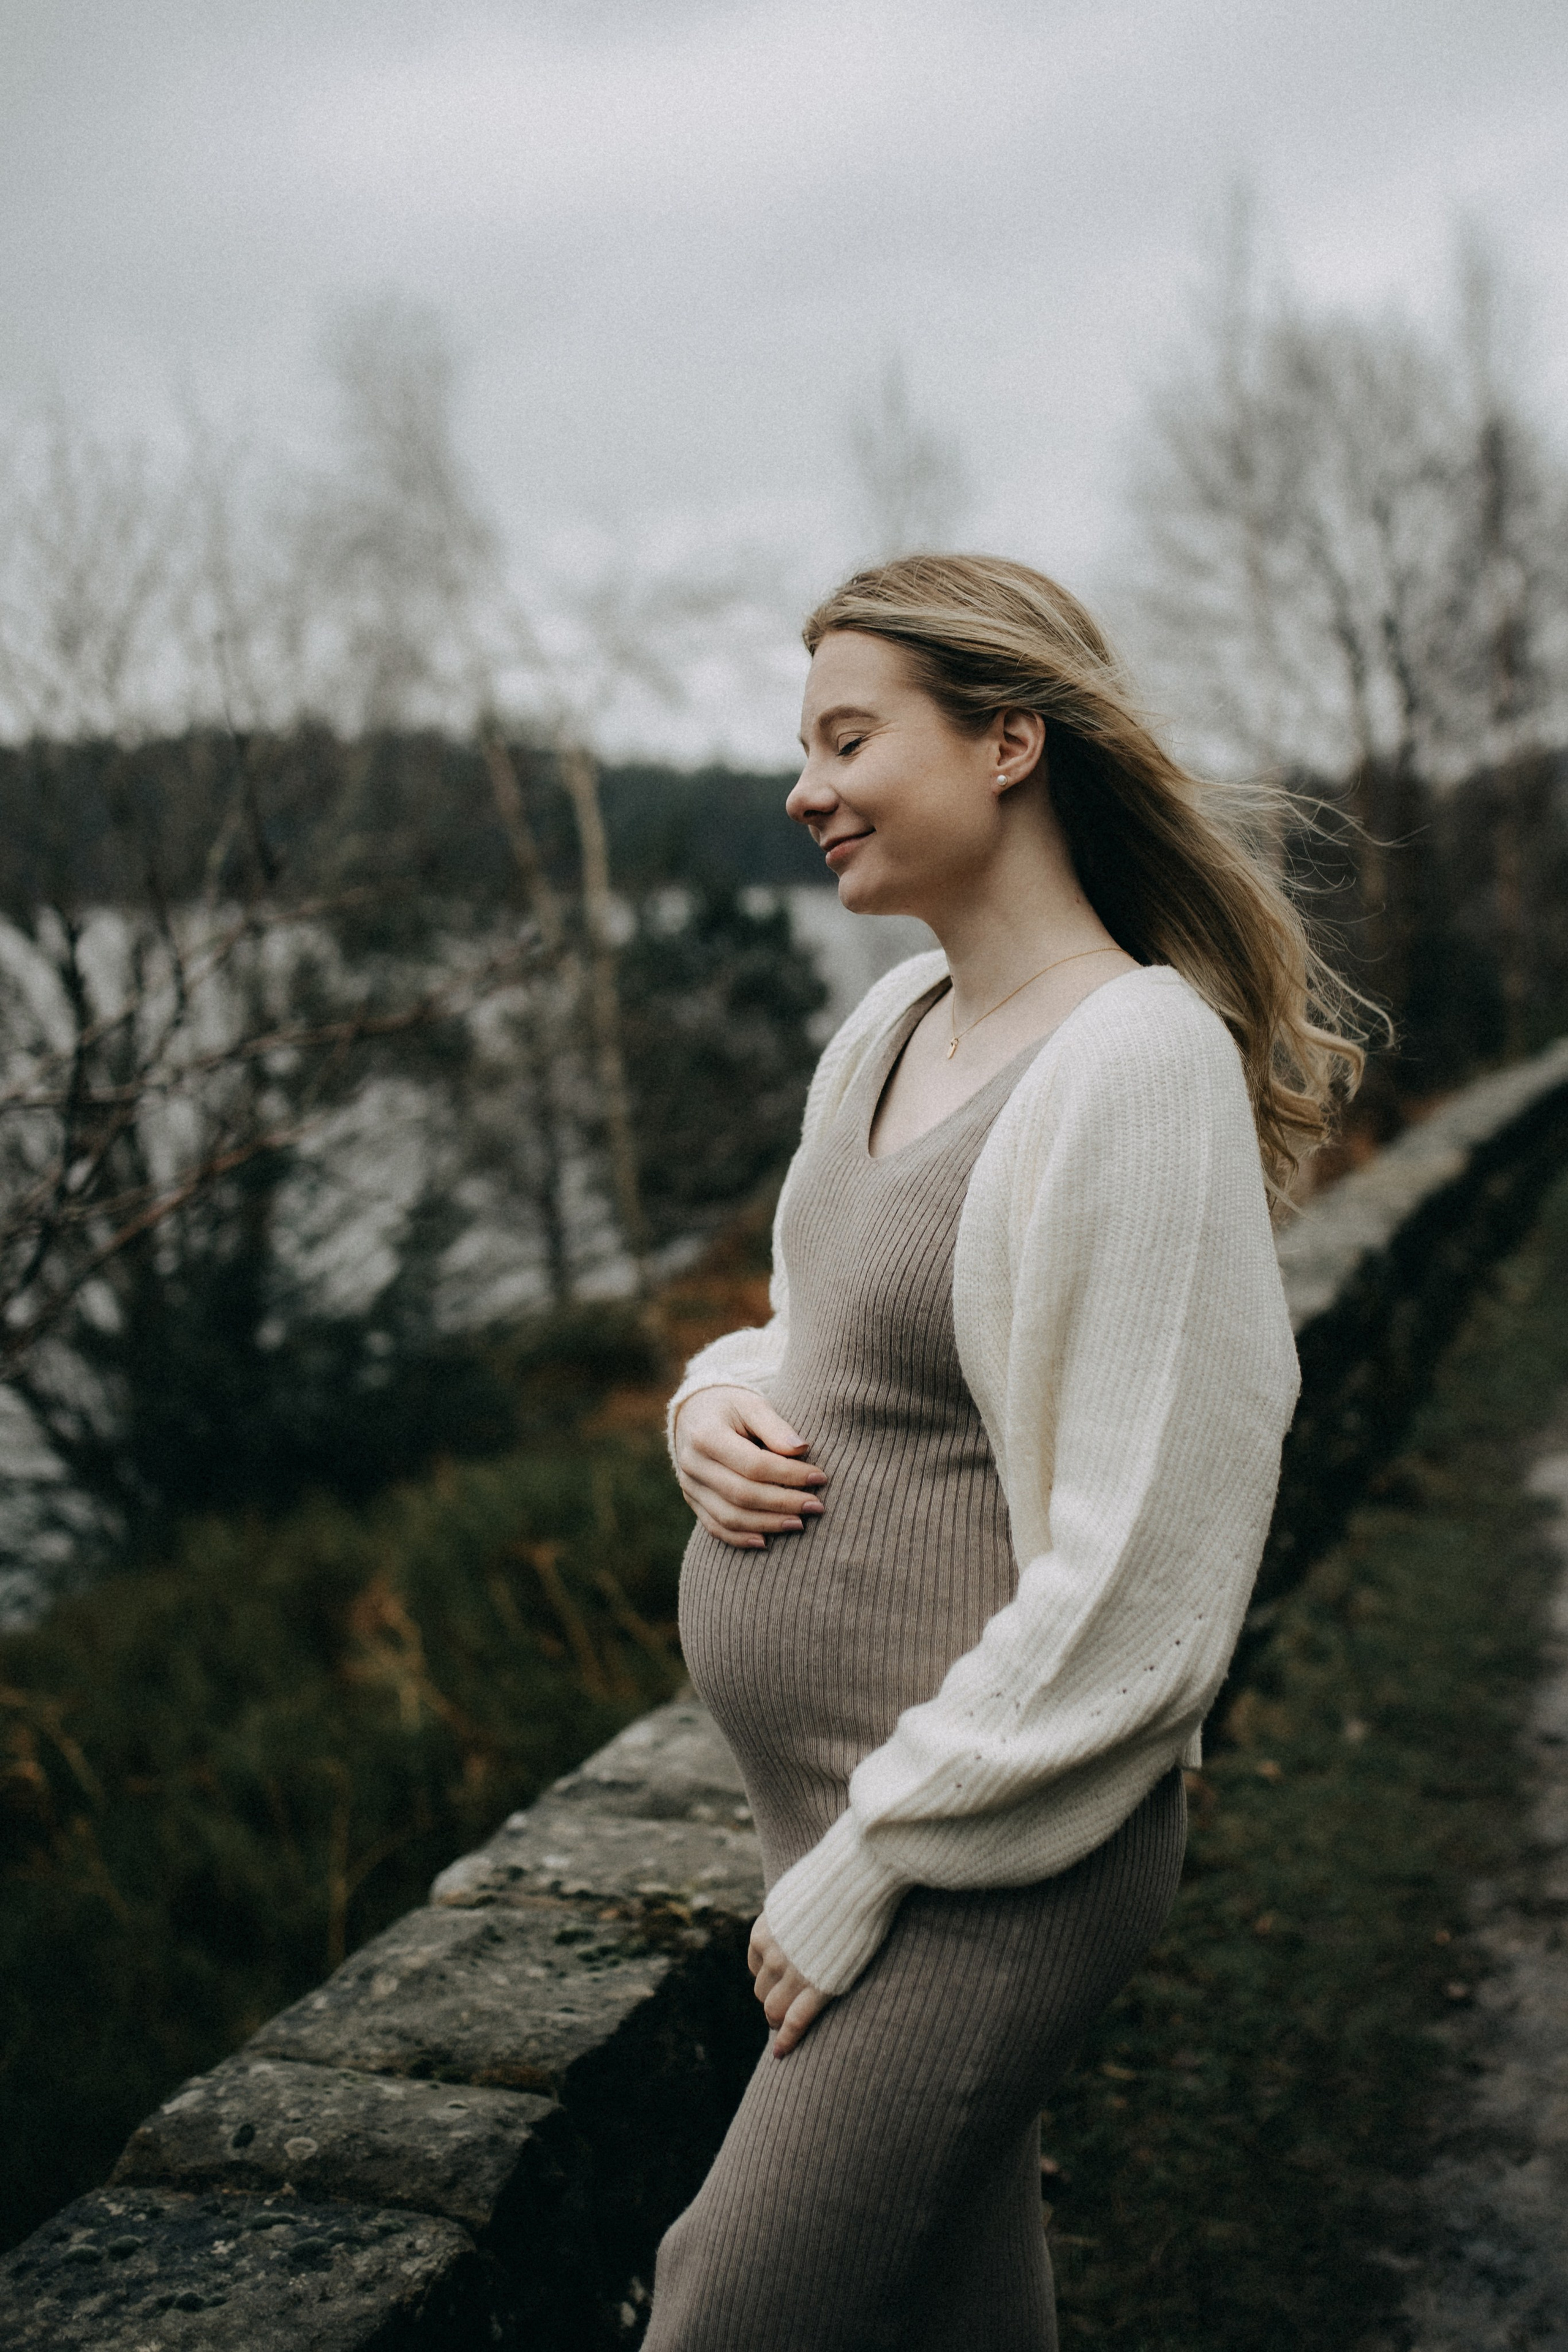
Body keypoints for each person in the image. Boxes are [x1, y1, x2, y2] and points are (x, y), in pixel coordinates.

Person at [646, 554, 1362, 2351]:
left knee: (724, 2305)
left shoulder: (1136, 1061)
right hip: (837, 1801)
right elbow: (819, 1337)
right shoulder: (889, 1030)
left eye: (846, 736)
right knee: (953, 2318)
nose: (803, 787)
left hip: (994, 1844)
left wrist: (877, 1854)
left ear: (1009, 742)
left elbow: (1152, 1563)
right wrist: (707, 1402)